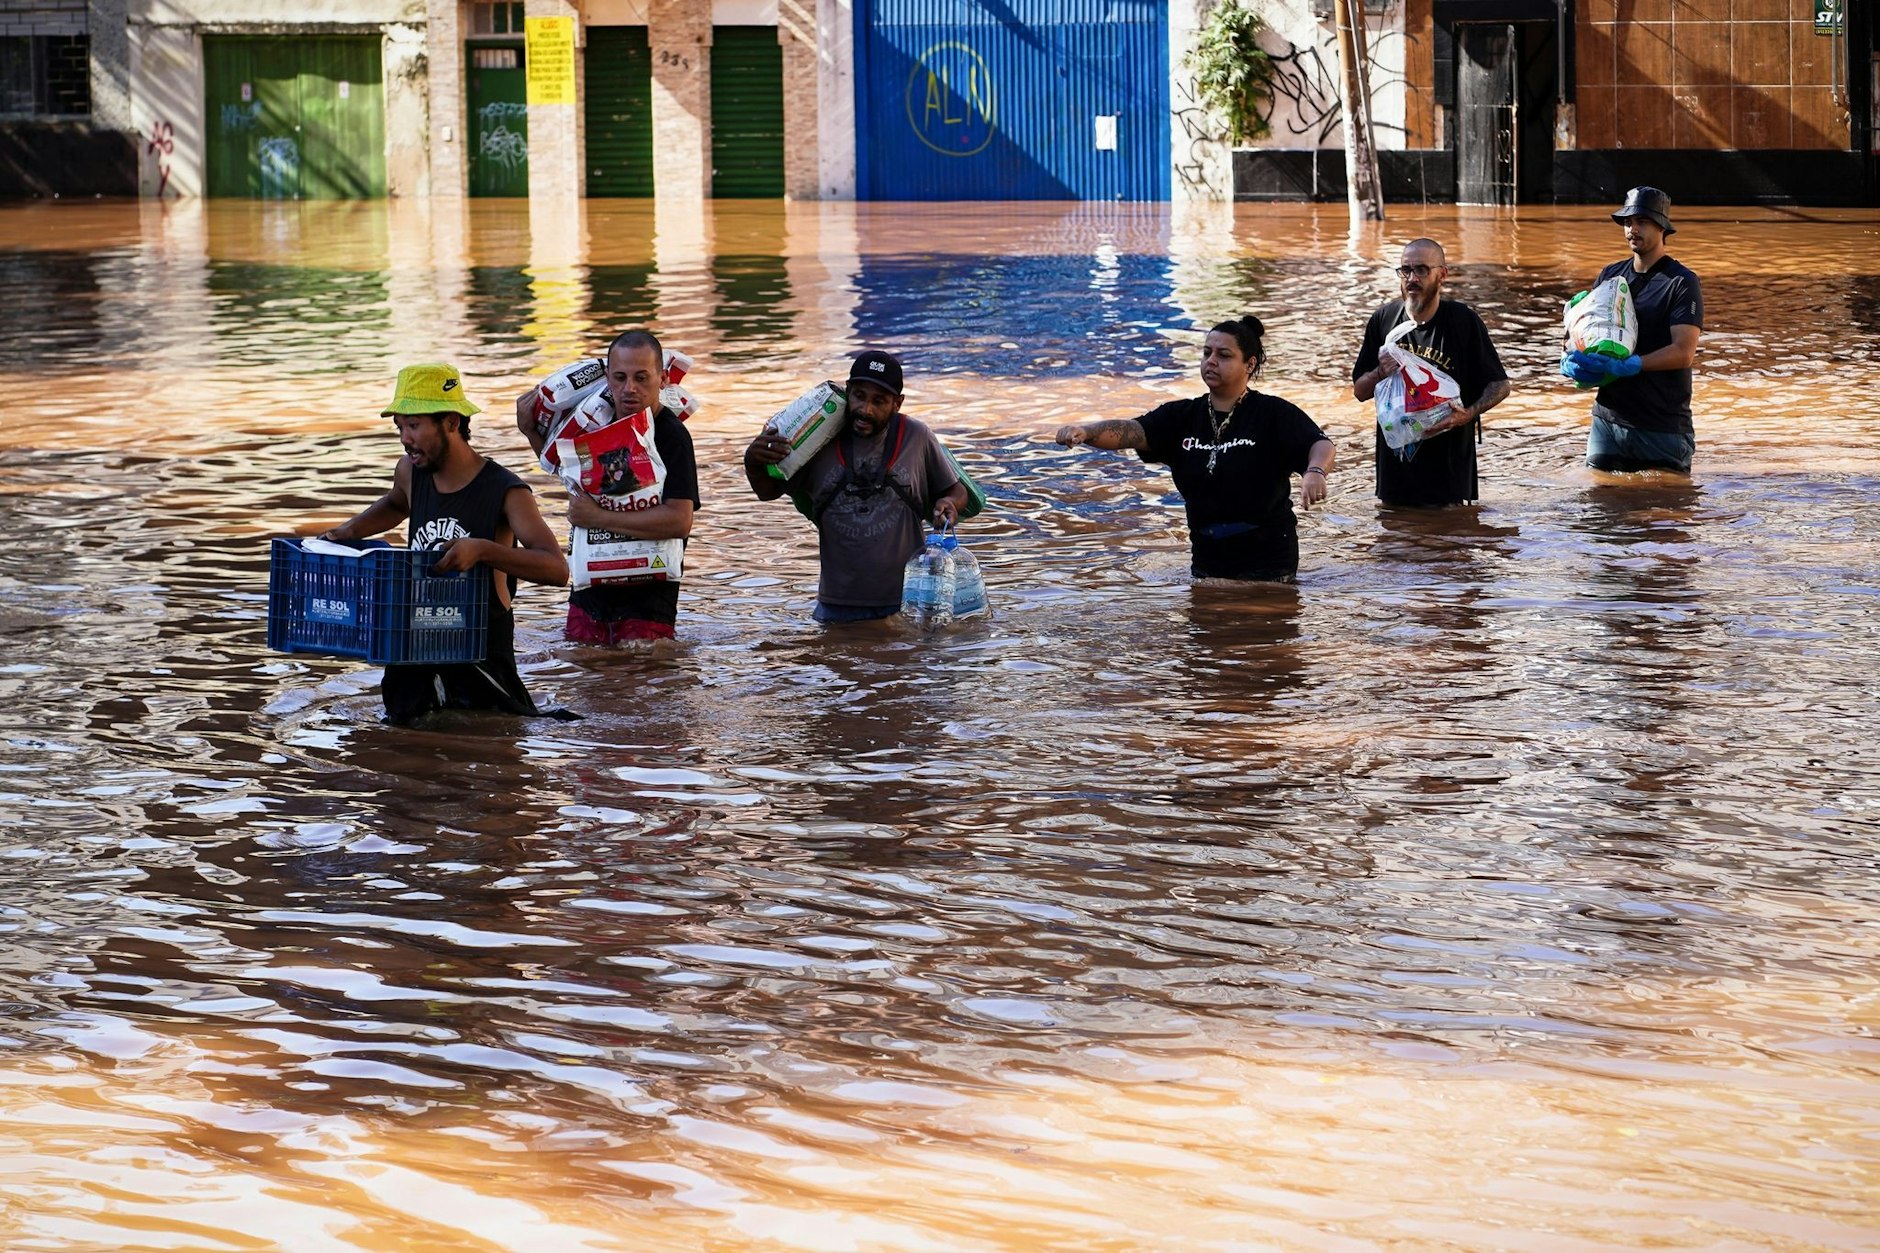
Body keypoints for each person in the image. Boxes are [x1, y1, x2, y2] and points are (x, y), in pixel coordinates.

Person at [318, 363, 569, 724]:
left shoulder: (506, 490)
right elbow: (395, 504)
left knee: (486, 754)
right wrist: (349, 531)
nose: (405, 438)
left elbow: (557, 569)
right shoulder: (410, 471)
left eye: (415, 425)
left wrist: (483, 550)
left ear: (451, 422)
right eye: (400, 427)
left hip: (478, 662)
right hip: (413, 647)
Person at [1054, 316, 1336, 583]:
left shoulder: (1273, 413)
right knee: (1203, 630)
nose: (1211, 362)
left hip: (1268, 559)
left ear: (1249, 365)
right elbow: (1131, 432)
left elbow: (1319, 443)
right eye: (1206, 353)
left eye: (1224, 355)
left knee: (1257, 631)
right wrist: (1087, 432)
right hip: (1207, 558)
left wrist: (1314, 471)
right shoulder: (1182, 416)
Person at [743, 349, 969, 623]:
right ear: (847, 391)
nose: (866, 410)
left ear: (897, 403)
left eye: (879, 401)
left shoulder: (916, 436)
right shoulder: (817, 437)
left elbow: (957, 491)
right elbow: (767, 492)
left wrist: (949, 504)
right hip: (836, 607)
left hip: (907, 606)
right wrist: (753, 461)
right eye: (859, 396)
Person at [531, 329, 700, 644]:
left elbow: (680, 520)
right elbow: (569, 475)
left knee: (641, 681)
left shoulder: (671, 436)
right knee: (584, 679)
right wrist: (530, 430)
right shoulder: (595, 424)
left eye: (641, 378)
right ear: (607, 377)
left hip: (647, 601)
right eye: (620, 377)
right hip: (589, 594)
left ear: (663, 379)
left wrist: (599, 518)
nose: (629, 389)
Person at [1350, 238, 1511, 506]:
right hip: (1395, 477)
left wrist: (1467, 415)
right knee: (1392, 541)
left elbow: (1500, 385)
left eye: (1422, 270)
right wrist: (1380, 372)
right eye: (1406, 270)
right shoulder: (1384, 320)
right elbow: (1359, 392)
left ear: (1442, 275)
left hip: (1449, 478)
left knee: (1450, 540)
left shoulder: (1463, 322)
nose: (1412, 278)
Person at [1561, 186, 1704, 474]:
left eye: (1641, 222)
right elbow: (1585, 329)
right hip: (1608, 423)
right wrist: (1570, 354)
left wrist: (1634, 364)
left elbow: (1683, 352)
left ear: (1662, 226)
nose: (1631, 229)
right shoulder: (1610, 275)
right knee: (1597, 510)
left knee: (1664, 512)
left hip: (1662, 429)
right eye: (1627, 222)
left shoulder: (1681, 282)